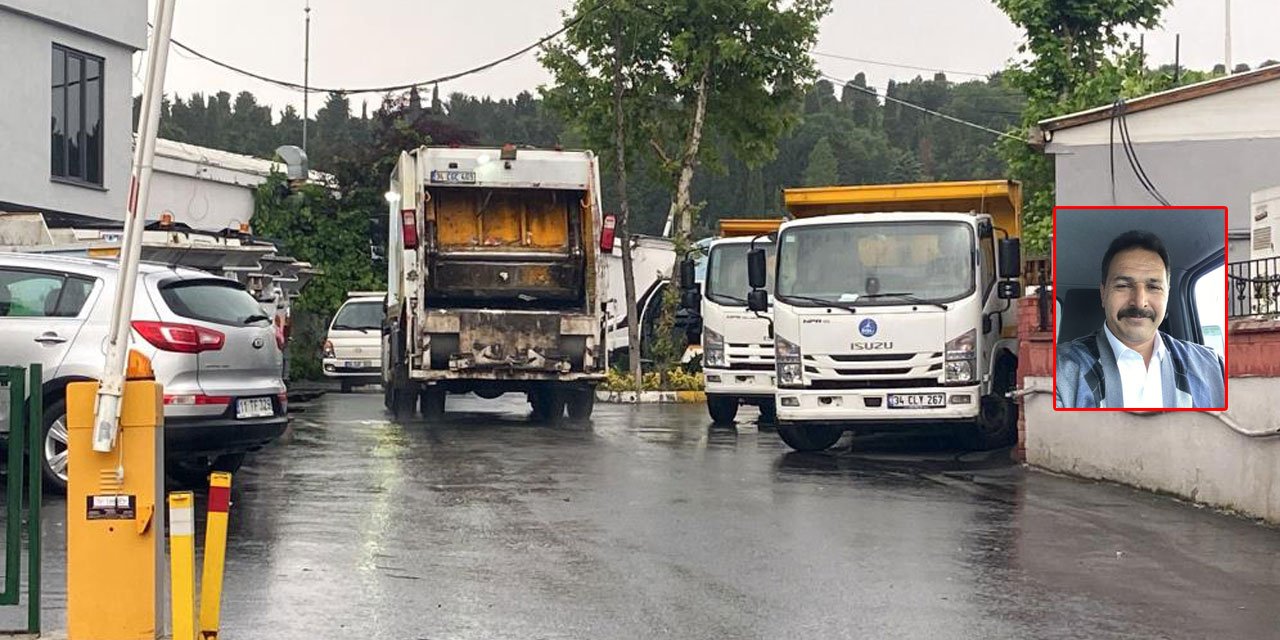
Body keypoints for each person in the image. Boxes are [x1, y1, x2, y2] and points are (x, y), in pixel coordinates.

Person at [1056, 230, 1225, 409]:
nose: (1139, 302)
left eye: (1153, 287)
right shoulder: (1059, 372)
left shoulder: (1213, 368)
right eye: (1123, 285)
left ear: (1167, 296)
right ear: (1103, 294)